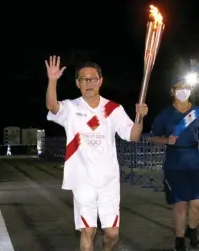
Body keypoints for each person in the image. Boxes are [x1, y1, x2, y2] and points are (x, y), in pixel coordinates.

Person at [45, 56, 148, 251]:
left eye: (93, 79)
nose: (89, 83)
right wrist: (52, 80)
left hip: (108, 181)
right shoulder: (71, 108)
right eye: (84, 79)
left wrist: (140, 118)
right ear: (78, 83)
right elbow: (52, 106)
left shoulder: (113, 109)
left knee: (112, 234)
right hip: (82, 180)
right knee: (88, 230)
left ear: (100, 81)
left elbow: (133, 136)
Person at [150, 78, 199, 251]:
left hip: (195, 161)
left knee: (196, 204)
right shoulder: (165, 114)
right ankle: (179, 240)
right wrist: (165, 140)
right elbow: (153, 137)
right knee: (180, 204)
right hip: (174, 162)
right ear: (172, 91)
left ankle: (192, 230)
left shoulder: (197, 112)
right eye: (180, 88)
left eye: (186, 88)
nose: (183, 91)